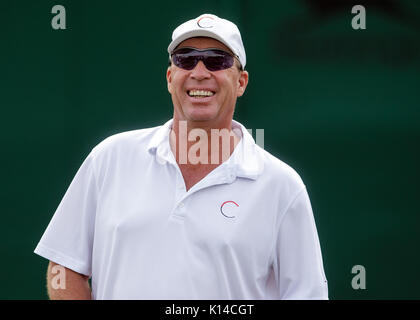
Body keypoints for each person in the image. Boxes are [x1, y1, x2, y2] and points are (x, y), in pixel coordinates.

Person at [34, 13, 328, 300]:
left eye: (217, 60)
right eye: (186, 59)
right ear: (170, 76)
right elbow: (65, 264)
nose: (199, 72)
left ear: (241, 82)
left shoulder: (282, 185)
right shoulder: (109, 158)